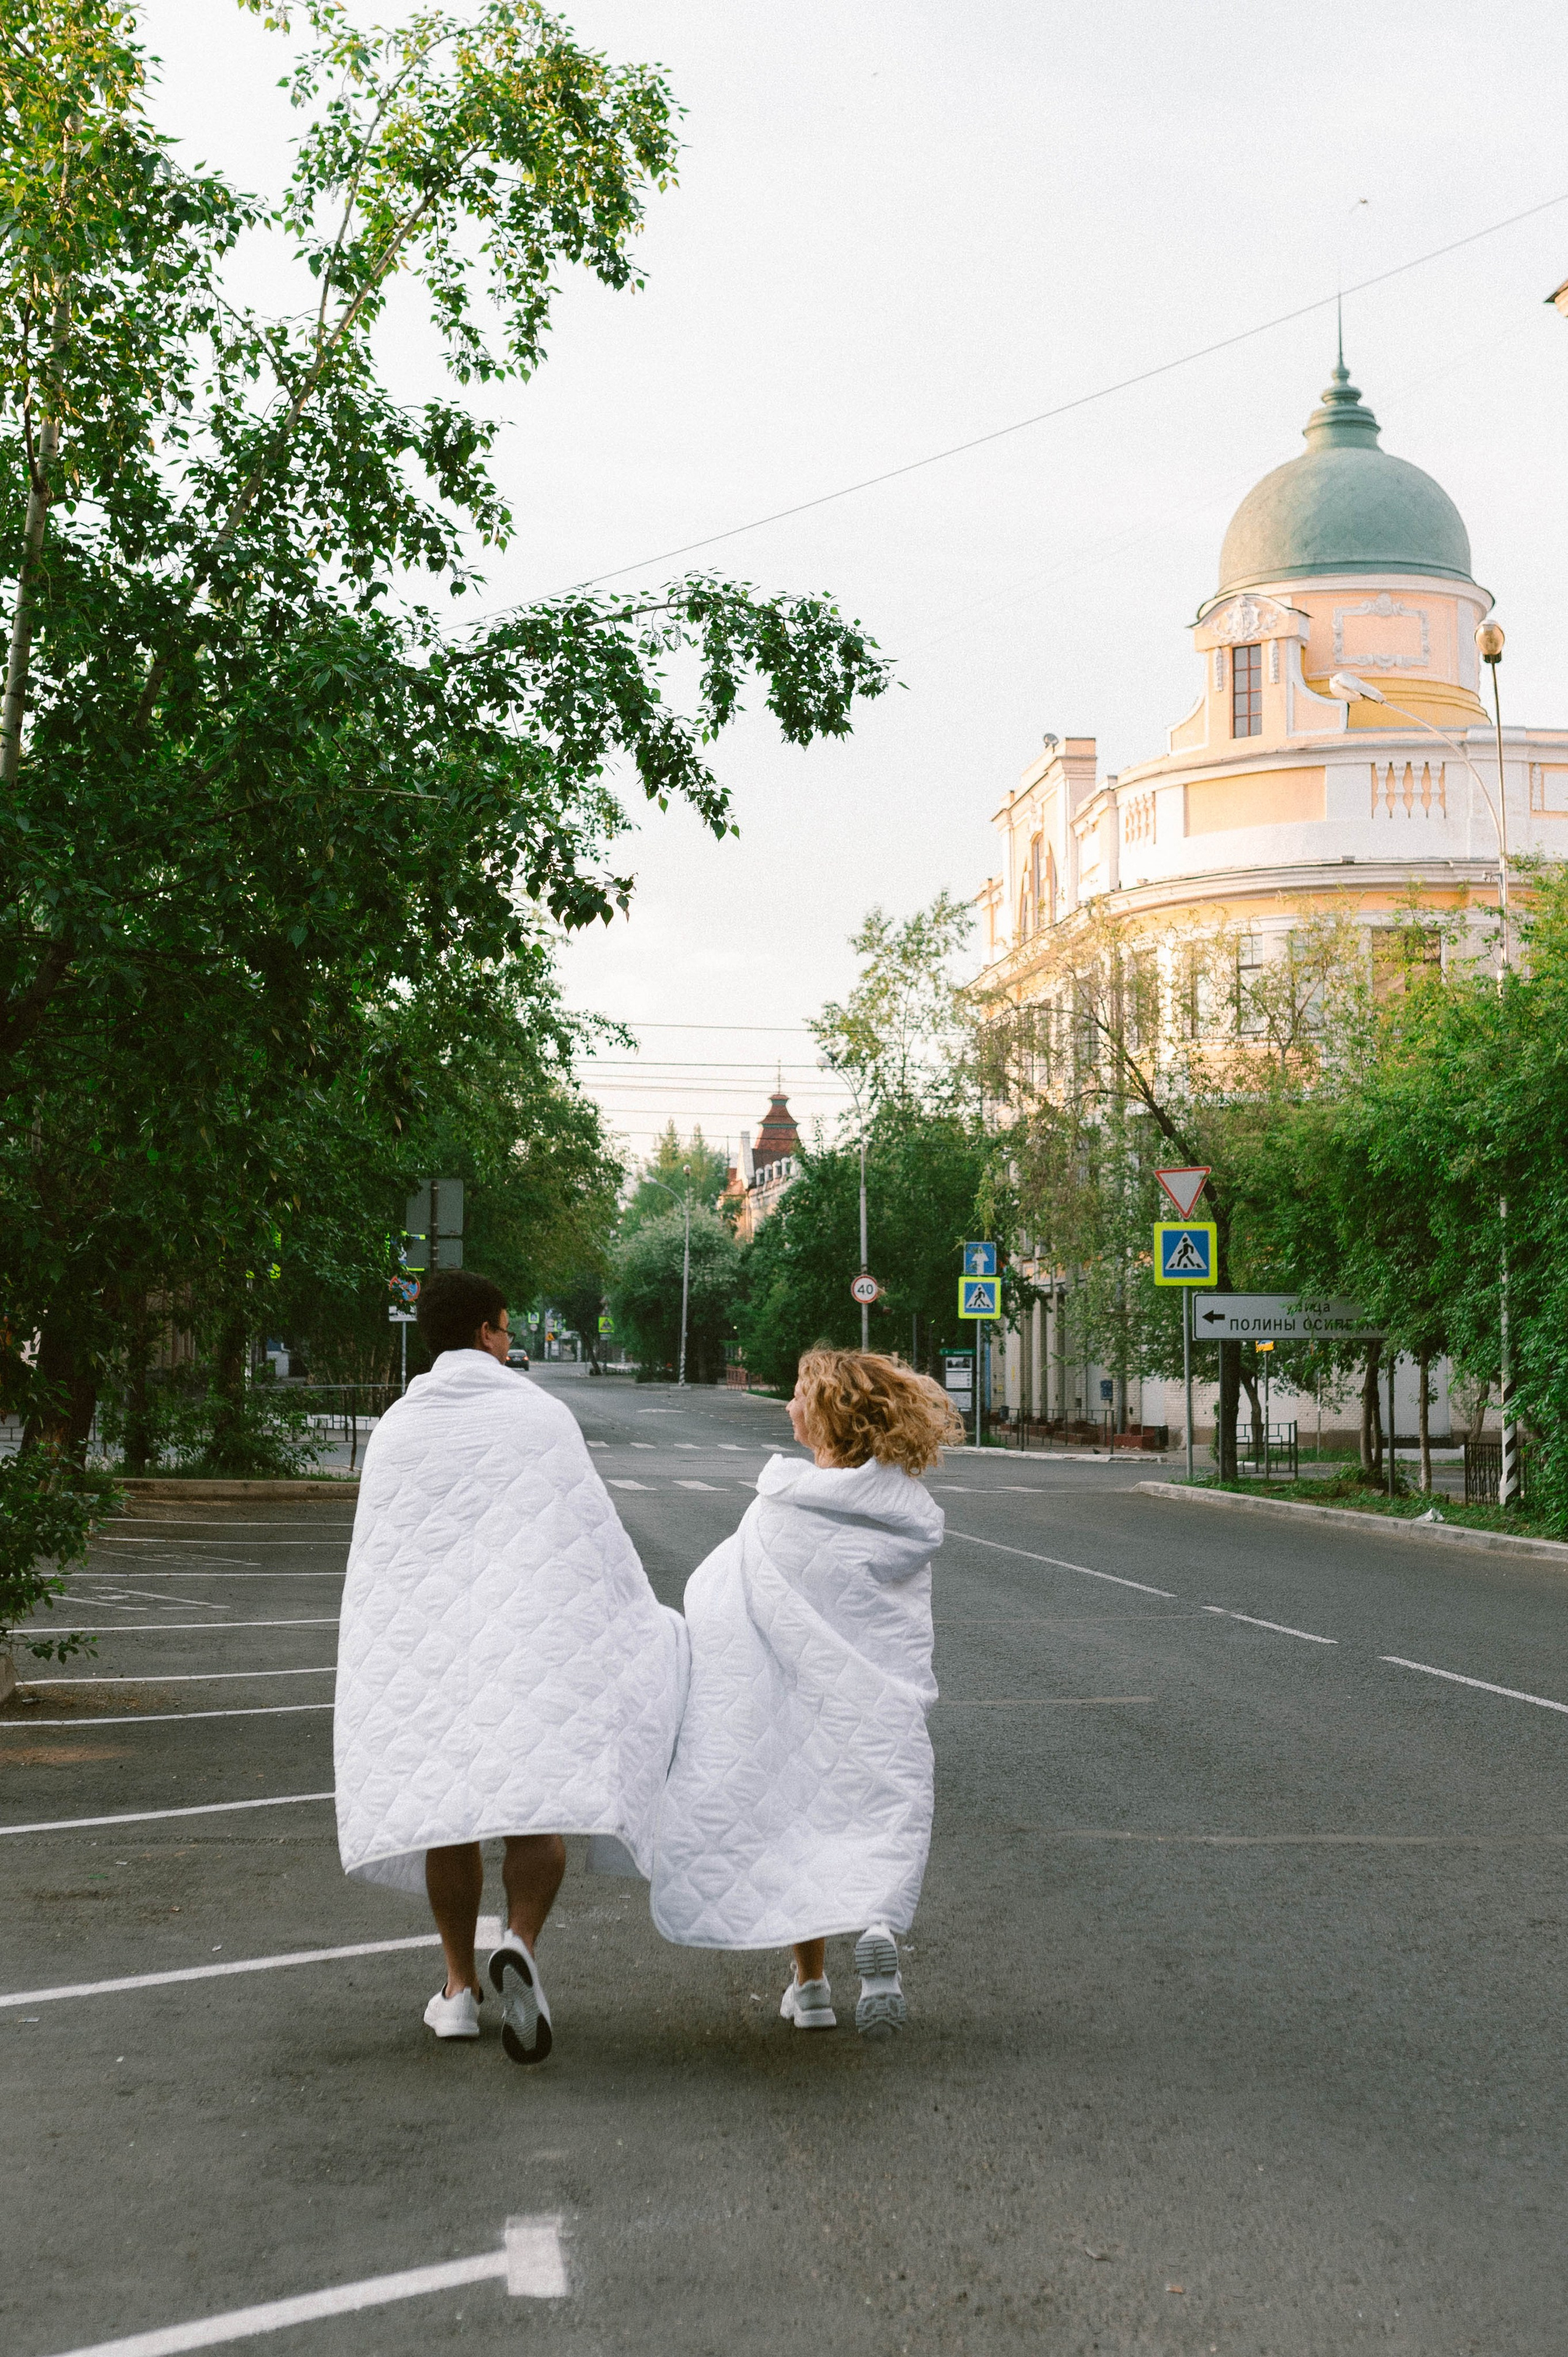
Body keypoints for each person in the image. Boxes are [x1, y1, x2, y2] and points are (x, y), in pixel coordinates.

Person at [333, 1267, 688, 2064]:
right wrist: (641, 1624)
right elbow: (592, 1540)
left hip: (425, 1653)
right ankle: (520, 1943)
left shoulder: (397, 1428)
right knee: (537, 1807)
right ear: (494, 1330)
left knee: (447, 1818)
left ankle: (459, 1991)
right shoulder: (540, 1418)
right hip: (530, 1647)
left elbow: (379, 1563)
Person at [650, 1346, 960, 2035]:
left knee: (794, 1823)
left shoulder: (782, 1508)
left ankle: (812, 1985)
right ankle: (875, 1924)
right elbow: (896, 1617)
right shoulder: (905, 1513)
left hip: (790, 1697)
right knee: (873, 1813)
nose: (789, 1404)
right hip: (876, 1699)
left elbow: (720, 1594)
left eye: (797, 1393)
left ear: (821, 1414)